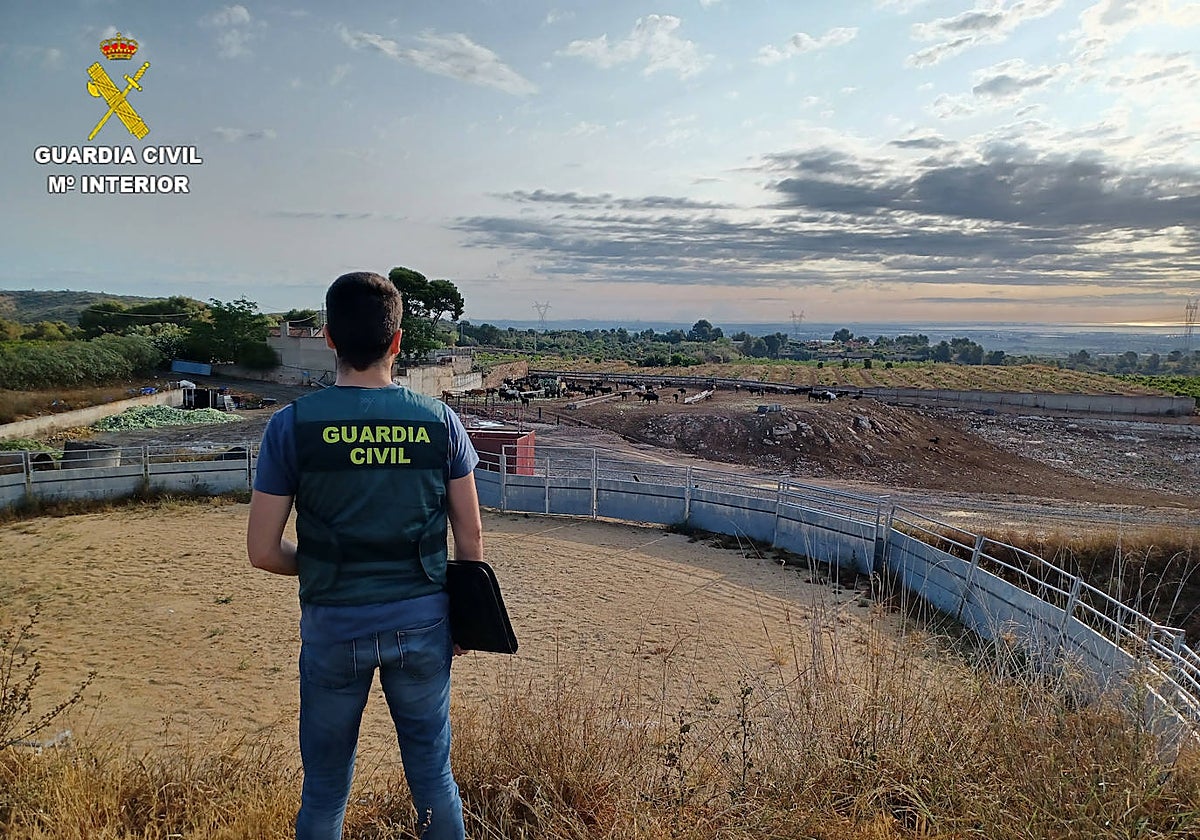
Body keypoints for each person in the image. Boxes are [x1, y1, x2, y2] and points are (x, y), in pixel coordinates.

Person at [247, 271, 482, 840]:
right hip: (423, 623)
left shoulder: (290, 427)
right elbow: (470, 538)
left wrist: (324, 563)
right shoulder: (440, 422)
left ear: (329, 338)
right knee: (434, 778)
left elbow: (262, 551)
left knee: (325, 791)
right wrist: (465, 622)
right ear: (397, 341)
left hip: (333, 626)